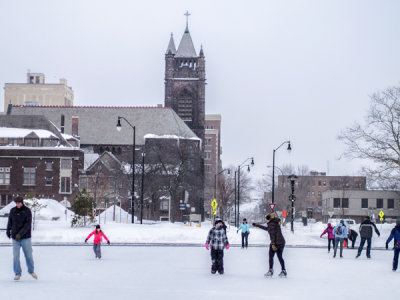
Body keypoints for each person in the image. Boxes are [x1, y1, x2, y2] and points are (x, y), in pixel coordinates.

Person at [6, 196, 38, 281]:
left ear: (22, 202)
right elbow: (10, 222)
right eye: (16, 203)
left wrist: (20, 234)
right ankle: (17, 273)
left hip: (25, 238)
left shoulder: (27, 211)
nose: (18, 204)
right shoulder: (13, 211)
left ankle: (31, 271)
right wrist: (8, 231)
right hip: (15, 238)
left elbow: (28, 225)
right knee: (16, 256)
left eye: (19, 203)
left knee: (29, 256)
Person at [253, 213, 287, 277]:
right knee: (280, 257)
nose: (266, 220)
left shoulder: (271, 225)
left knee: (271, 257)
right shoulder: (275, 222)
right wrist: (258, 225)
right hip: (281, 242)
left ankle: (270, 270)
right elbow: (268, 229)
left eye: (267, 219)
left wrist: (273, 244)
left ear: (269, 219)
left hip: (276, 243)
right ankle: (284, 270)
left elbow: (272, 235)